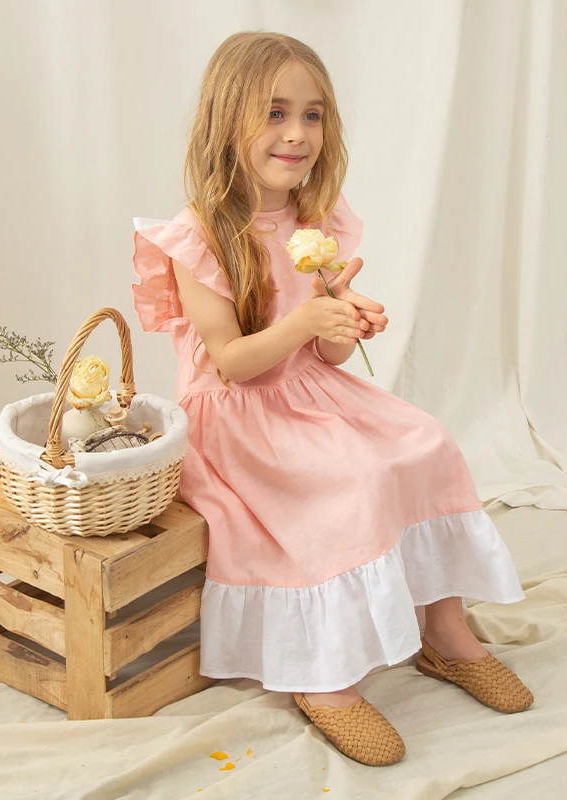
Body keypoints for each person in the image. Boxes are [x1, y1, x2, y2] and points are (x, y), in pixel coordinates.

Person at [132, 31, 533, 767]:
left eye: (312, 115)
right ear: (226, 120)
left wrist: (343, 319)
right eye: (275, 112)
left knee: (425, 443)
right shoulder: (199, 236)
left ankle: (445, 634)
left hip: (310, 392)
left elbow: (325, 355)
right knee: (349, 485)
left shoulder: (314, 218)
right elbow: (231, 363)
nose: (297, 133)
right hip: (241, 416)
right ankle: (324, 675)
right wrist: (303, 322)